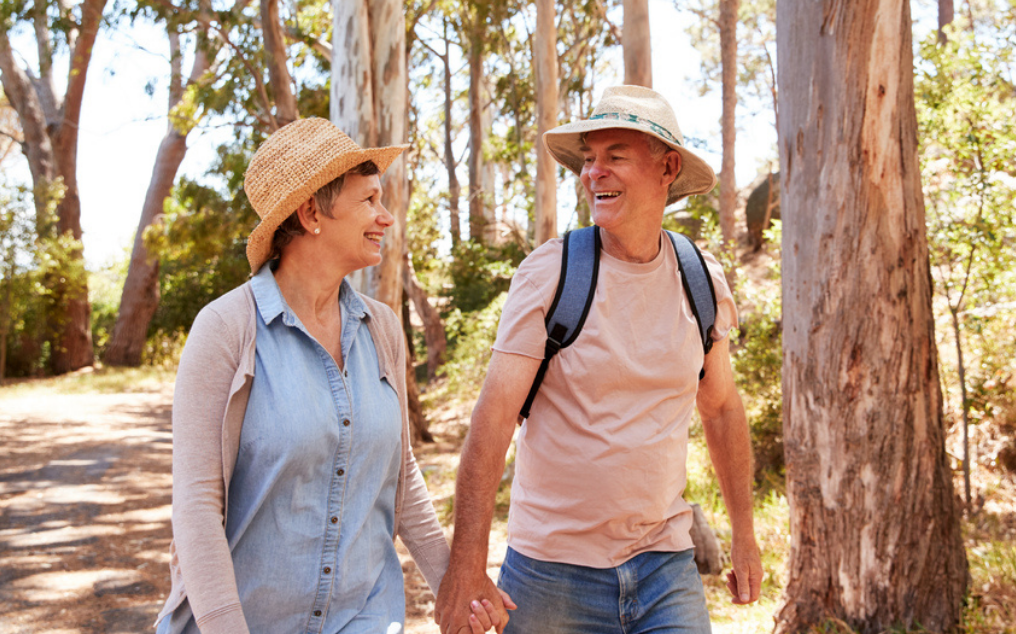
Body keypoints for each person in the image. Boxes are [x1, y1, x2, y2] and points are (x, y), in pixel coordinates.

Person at [154, 118, 509, 634]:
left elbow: (401, 478)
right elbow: (196, 508)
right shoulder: (226, 329)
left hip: (362, 619)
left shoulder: (381, 326)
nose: (385, 217)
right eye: (368, 200)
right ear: (311, 213)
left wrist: (456, 585)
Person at [435, 86, 762, 634]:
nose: (593, 174)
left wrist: (745, 534)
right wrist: (466, 566)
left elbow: (723, 408)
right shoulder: (551, 274)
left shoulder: (700, 277)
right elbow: (492, 421)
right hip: (550, 574)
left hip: (665, 564)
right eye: (589, 159)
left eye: (615, 157)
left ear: (668, 168)